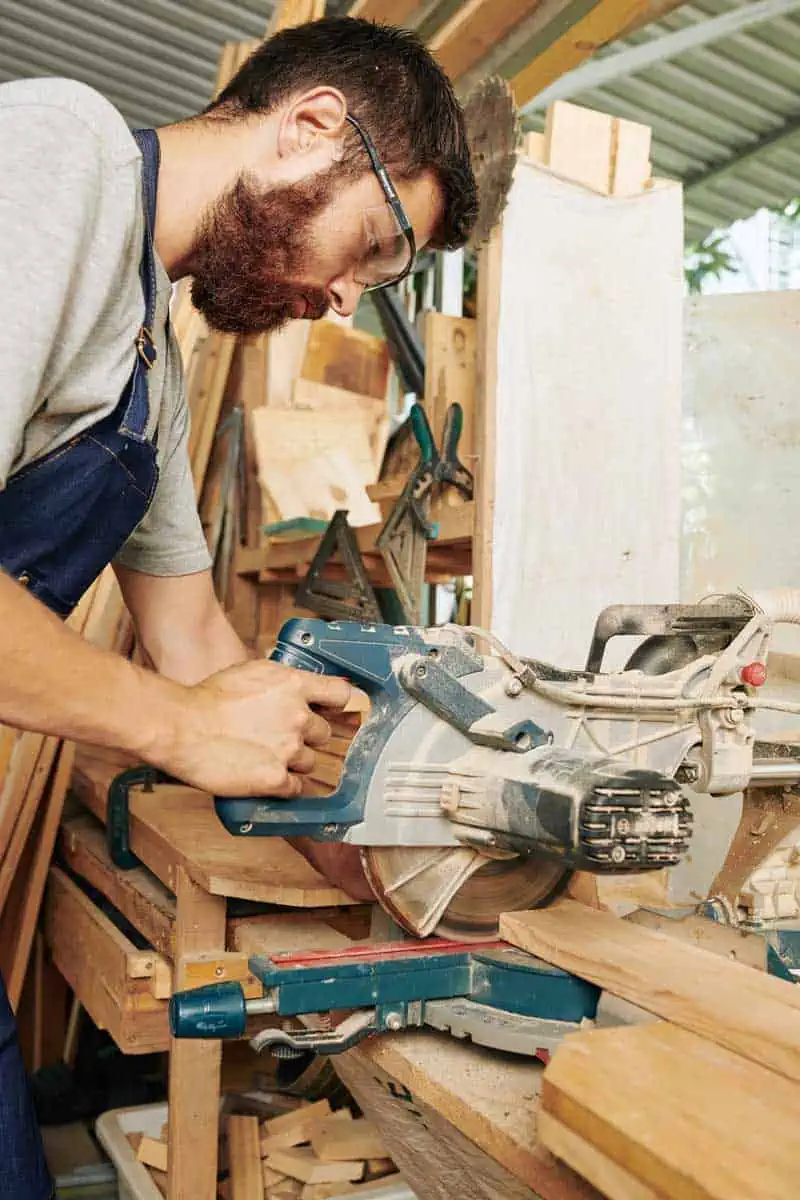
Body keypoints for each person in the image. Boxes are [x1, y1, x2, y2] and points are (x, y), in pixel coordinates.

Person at [0, 15, 478, 1196]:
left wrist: (380, 839)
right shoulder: (63, 155)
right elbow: (187, 707)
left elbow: (194, 642)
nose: (340, 301)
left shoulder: (146, 356)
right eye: (367, 248)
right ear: (310, 125)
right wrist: (177, 729)